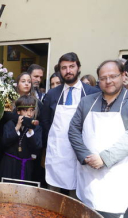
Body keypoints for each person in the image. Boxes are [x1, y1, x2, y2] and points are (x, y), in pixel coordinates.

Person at [68, 60, 128, 218]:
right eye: (103, 78)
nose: (108, 81)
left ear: (123, 76)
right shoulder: (87, 101)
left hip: (116, 174)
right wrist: (84, 156)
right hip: (88, 172)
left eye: (113, 76)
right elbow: (73, 130)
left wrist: (104, 158)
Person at [42, 52, 99, 196]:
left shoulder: (92, 93)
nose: (68, 71)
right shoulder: (52, 94)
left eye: (72, 66)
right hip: (58, 151)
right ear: (59, 70)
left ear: (78, 67)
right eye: (64, 68)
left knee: (77, 194)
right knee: (53, 193)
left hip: (81, 151)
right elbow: (45, 122)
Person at [0, 95, 42, 181]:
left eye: (32, 110)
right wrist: (17, 128)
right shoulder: (10, 124)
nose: (29, 114)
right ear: (18, 111)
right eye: (25, 110)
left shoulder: (37, 128)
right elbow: (4, 143)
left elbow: (37, 147)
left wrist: (30, 130)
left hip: (26, 166)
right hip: (9, 165)